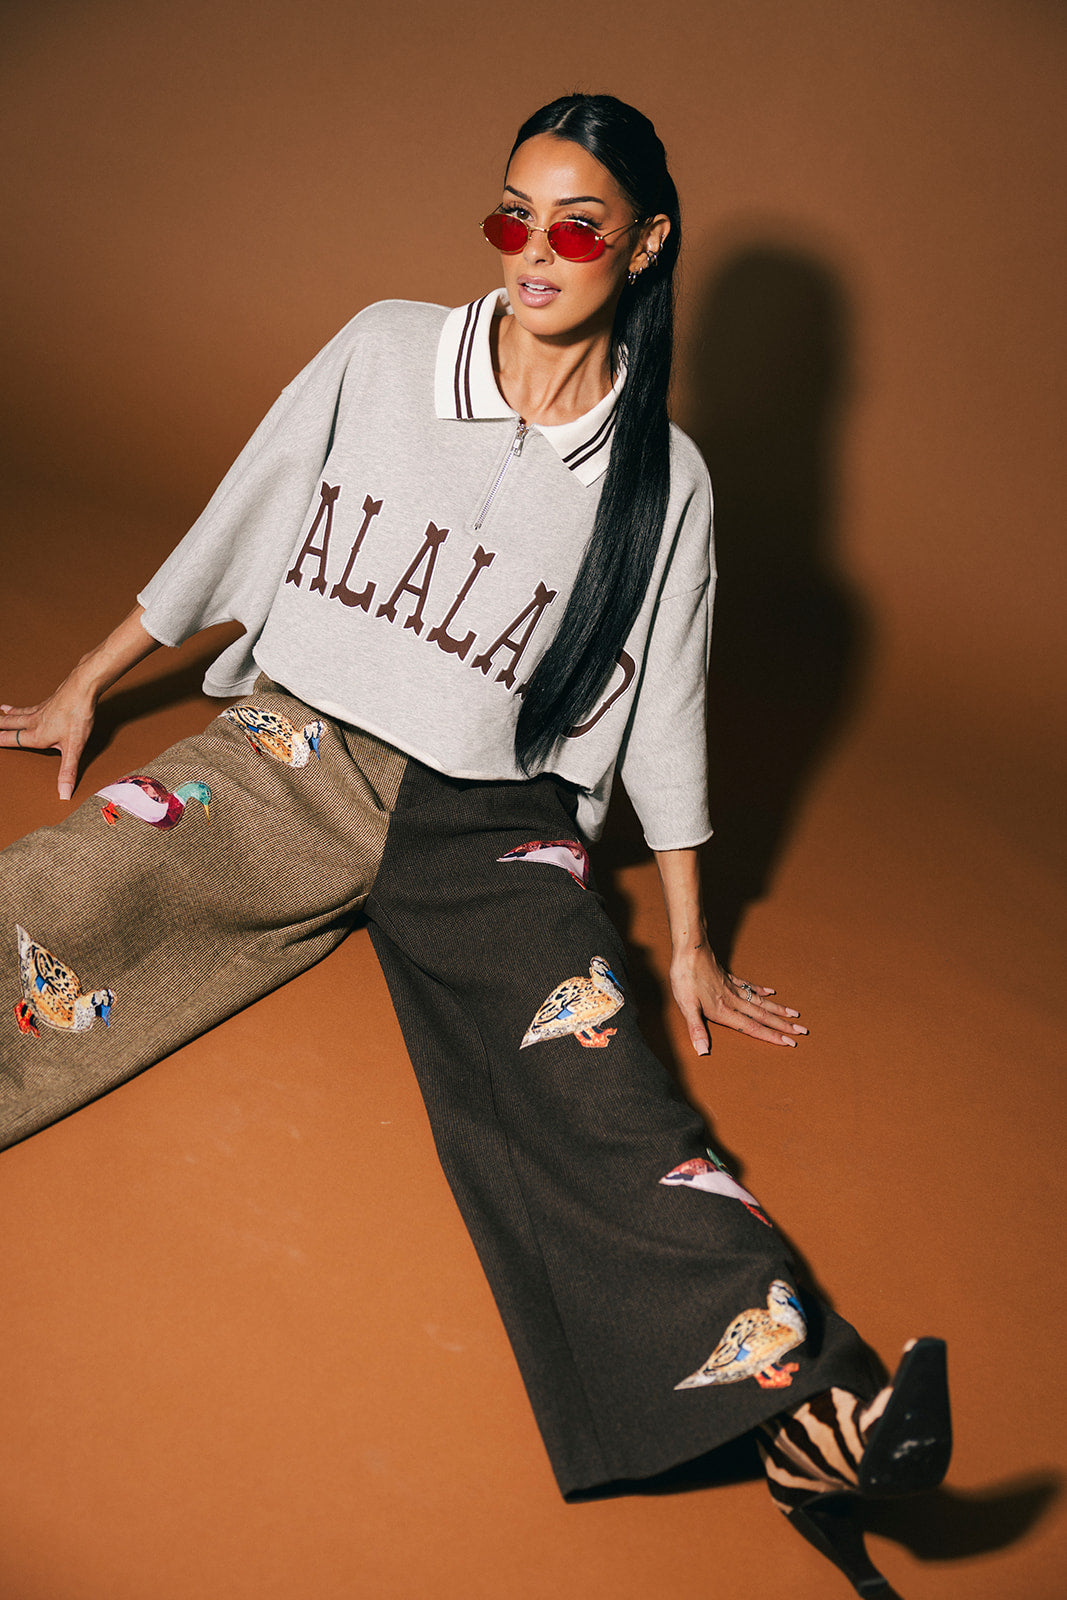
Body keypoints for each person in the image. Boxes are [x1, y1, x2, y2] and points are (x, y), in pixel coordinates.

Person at [0, 94, 950, 1593]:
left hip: (491, 819)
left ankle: (814, 1417)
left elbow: (670, 716)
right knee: (73, 882)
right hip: (295, 749)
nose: (536, 252)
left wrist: (692, 943)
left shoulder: (667, 480)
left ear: (647, 246)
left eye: (577, 225)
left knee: (612, 1097)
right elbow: (239, 516)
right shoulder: (386, 350)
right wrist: (87, 681)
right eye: (513, 215)